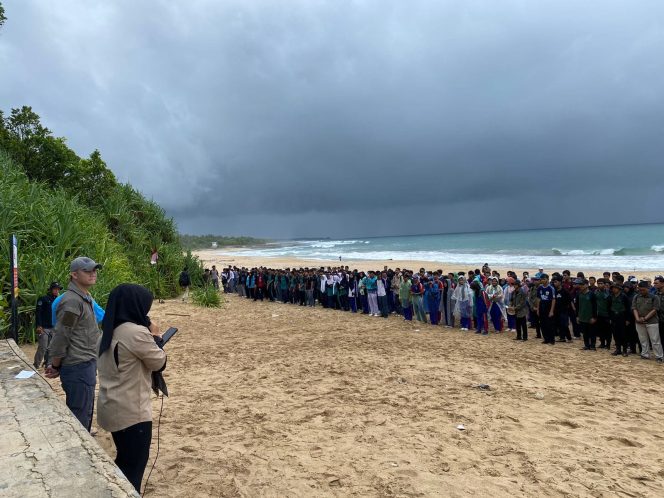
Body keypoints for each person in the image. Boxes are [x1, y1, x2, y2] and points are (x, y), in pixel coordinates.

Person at [97, 284, 166, 493]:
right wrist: (155, 336)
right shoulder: (135, 333)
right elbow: (159, 362)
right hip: (132, 412)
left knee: (125, 459)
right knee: (134, 466)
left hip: (111, 406)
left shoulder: (107, 331)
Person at [45, 257, 102, 432]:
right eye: (87, 271)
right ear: (74, 275)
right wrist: (55, 365)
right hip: (78, 366)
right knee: (80, 415)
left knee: (85, 411)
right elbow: (61, 336)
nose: (93, 273)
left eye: (94, 270)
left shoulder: (85, 296)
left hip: (86, 363)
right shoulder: (71, 301)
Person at [33, 282, 63, 369]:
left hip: (54, 327)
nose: (57, 291)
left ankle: (48, 364)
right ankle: (36, 365)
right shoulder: (43, 299)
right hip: (44, 327)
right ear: (50, 289)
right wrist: (39, 325)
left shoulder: (58, 300)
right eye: (55, 289)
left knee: (51, 348)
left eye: (58, 289)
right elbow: (38, 313)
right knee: (43, 347)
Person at [632, 281, 663, 362]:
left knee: (655, 340)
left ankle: (659, 356)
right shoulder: (636, 297)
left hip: (652, 322)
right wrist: (637, 318)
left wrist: (645, 318)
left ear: (648, 288)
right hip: (639, 322)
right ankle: (645, 354)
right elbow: (634, 308)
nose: (641, 292)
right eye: (640, 290)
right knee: (642, 339)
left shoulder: (654, 297)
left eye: (643, 290)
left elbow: (655, 309)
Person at [575, 278, 597, 351]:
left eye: (582, 284)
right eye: (580, 284)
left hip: (590, 317)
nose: (581, 286)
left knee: (592, 332)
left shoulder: (592, 294)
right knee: (585, 333)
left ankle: (593, 346)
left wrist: (594, 317)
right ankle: (586, 345)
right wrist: (577, 316)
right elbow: (577, 306)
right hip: (582, 316)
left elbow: (595, 307)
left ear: (587, 285)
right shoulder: (579, 294)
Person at [537, 274, 556, 345]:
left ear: (548, 279)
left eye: (544, 279)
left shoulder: (551, 288)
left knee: (549, 324)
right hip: (542, 306)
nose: (543, 280)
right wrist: (538, 309)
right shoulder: (540, 288)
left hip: (548, 306)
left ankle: (552, 340)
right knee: (542, 324)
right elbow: (538, 299)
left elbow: (553, 300)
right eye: (542, 279)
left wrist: (551, 311)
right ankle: (546, 339)